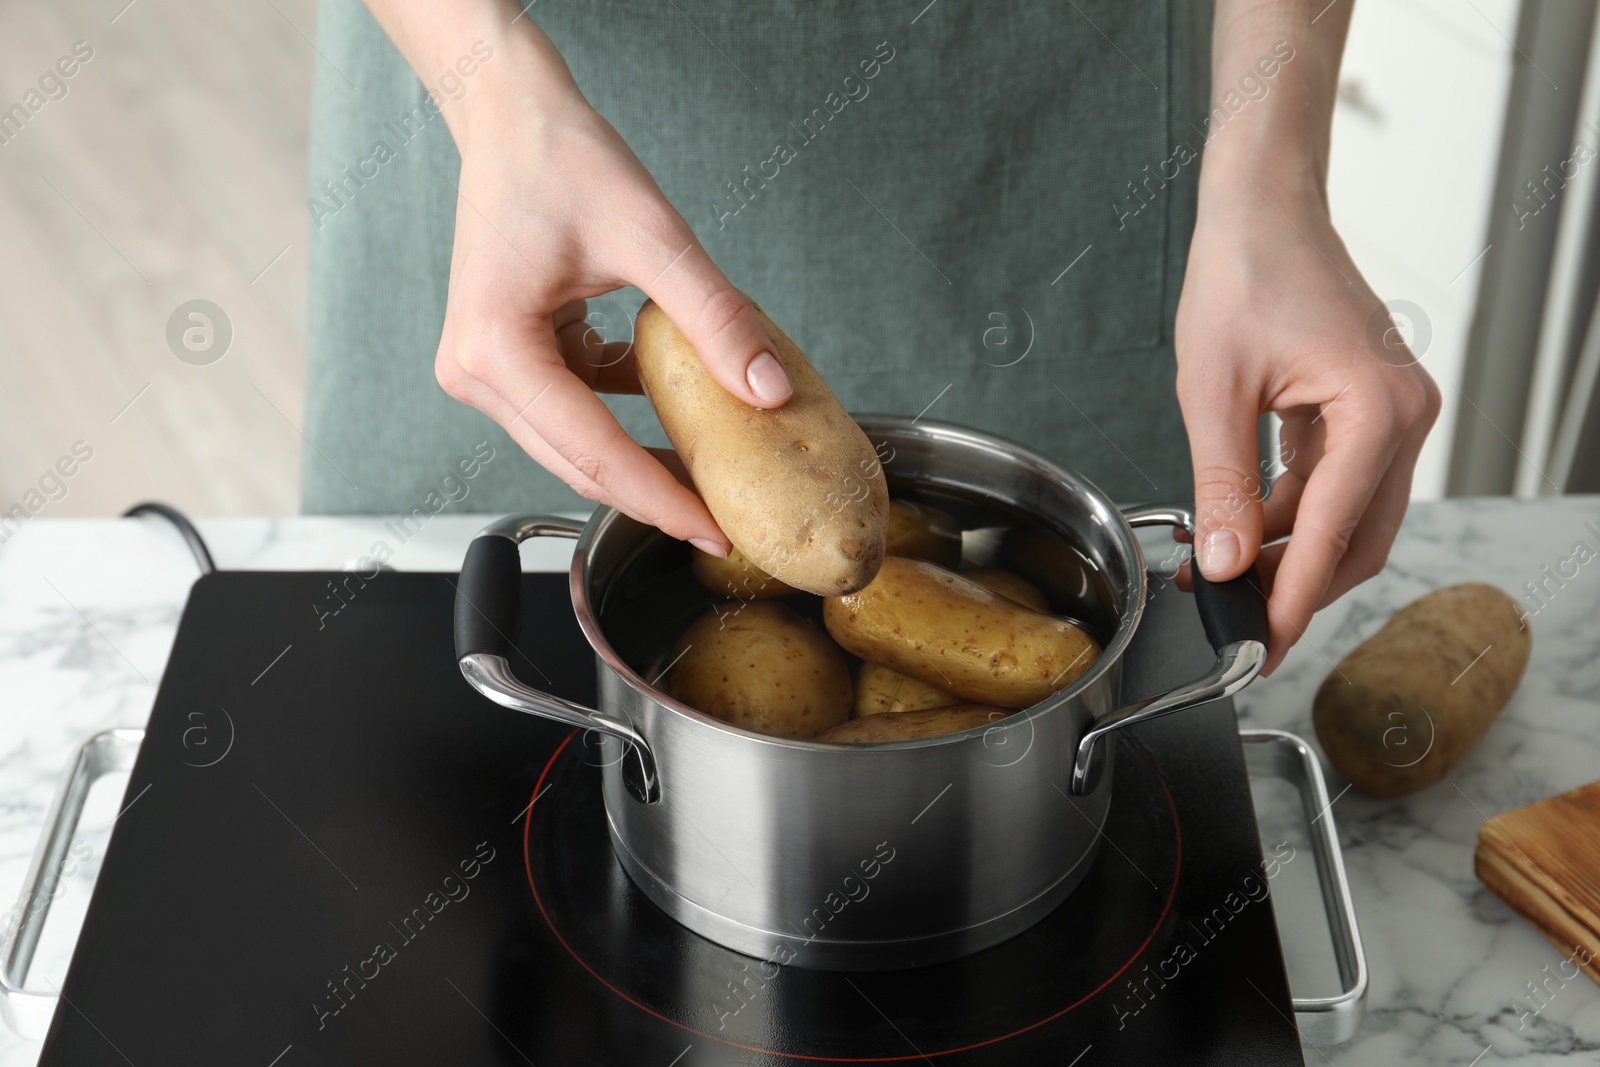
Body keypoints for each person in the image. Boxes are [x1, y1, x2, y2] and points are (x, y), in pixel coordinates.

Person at [302, 0, 1439, 673]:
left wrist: (1271, 183)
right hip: (504, 120)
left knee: (1115, 637)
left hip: (1051, 150)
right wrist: (494, 94)